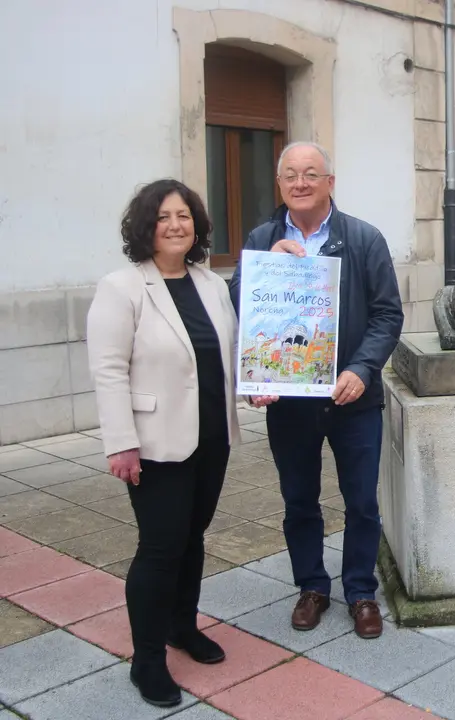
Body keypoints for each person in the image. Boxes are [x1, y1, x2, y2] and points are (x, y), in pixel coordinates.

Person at [229, 142, 403, 638]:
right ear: (279, 184)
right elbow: (239, 306)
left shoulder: (364, 239)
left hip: (354, 399)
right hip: (289, 403)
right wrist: (266, 262)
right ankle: (311, 586)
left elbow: (388, 314)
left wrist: (363, 368)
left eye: (310, 173)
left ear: (330, 181)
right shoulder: (263, 236)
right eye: (290, 175)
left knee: (362, 502)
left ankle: (361, 592)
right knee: (299, 501)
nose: (299, 183)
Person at [87, 179, 242, 707]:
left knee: (192, 537)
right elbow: (108, 371)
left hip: (211, 437)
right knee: (159, 548)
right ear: (145, 227)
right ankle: (147, 660)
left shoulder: (211, 283)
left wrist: (256, 387)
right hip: (155, 443)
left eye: (184, 215)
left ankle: (182, 626)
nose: (176, 225)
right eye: (163, 217)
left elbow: (229, 353)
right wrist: (120, 443)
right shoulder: (122, 287)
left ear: (196, 224)